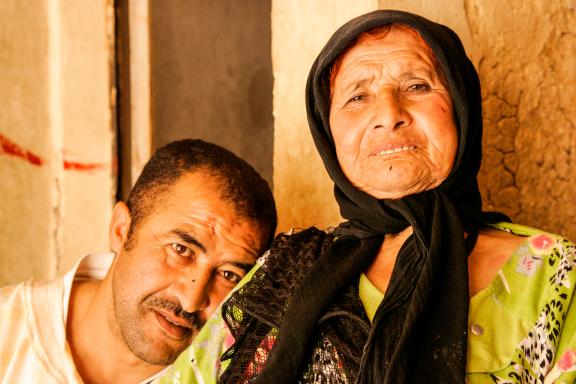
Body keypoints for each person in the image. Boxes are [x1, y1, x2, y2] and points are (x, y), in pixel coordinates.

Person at [158, 10, 576, 384]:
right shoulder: (284, 271)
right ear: (328, 131)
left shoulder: (551, 273)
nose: (388, 114)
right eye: (357, 97)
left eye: (417, 85)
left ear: (462, 107)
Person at [0, 139, 277, 383]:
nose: (191, 300)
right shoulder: (8, 330)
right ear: (121, 230)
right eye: (181, 249)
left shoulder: (234, 375)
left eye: (228, 275)